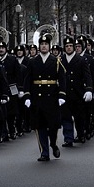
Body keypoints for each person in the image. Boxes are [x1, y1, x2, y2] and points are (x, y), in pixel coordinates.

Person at [23, 33, 67, 161]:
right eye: (41, 44)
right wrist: (27, 96)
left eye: (46, 44)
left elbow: (62, 79)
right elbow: (27, 80)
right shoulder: (32, 62)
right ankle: (44, 152)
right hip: (37, 98)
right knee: (39, 126)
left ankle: (53, 143)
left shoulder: (56, 61)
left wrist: (61, 95)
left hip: (52, 97)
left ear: (49, 46)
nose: (44, 46)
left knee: (53, 126)